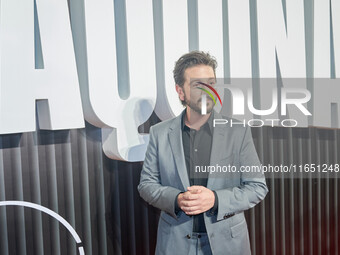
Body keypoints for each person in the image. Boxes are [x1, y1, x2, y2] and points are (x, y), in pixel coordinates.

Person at [138, 51, 268, 255]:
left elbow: (257, 187)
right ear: (180, 91)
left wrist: (216, 199)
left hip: (227, 244)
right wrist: (177, 199)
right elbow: (147, 185)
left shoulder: (238, 131)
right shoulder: (160, 133)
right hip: (175, 244)